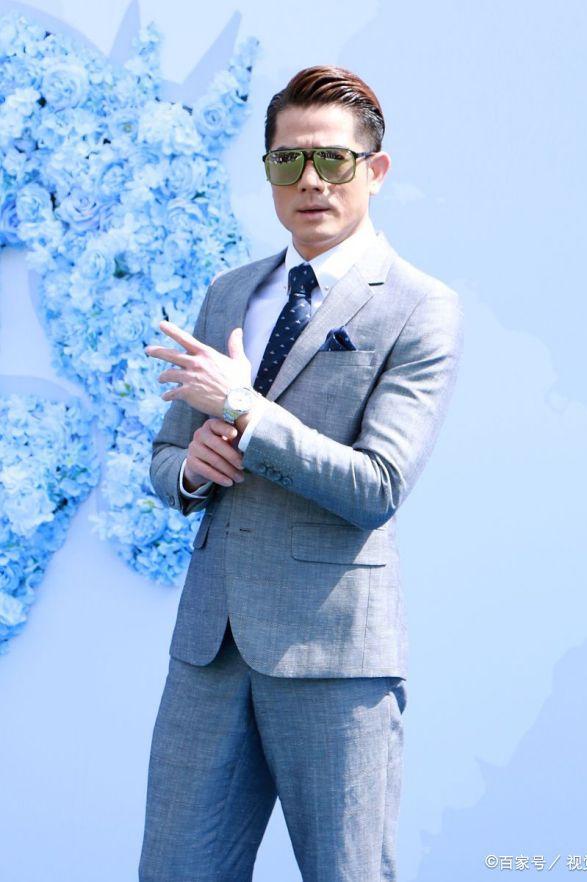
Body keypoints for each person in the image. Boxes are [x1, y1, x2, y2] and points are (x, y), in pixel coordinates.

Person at [139, 64, 463, 882]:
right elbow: (166, 459)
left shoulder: (419, 306)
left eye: (333, 160)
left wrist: (246, 411)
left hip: (336, 658)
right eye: (289, 160)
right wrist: (192, 469)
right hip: (208, 654)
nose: (310, 180)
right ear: (269, 171)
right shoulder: (230, 292)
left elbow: (378, 486)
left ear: (375, 171)